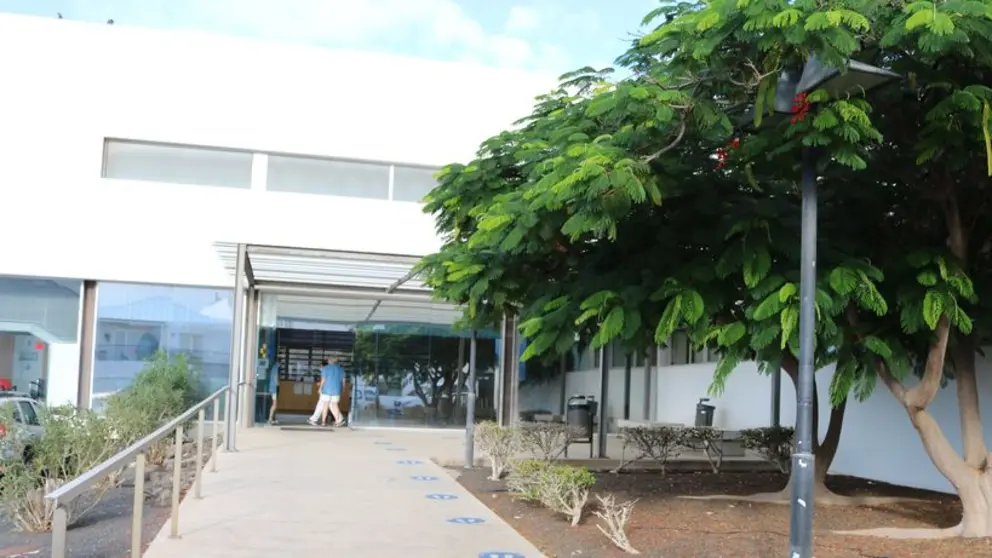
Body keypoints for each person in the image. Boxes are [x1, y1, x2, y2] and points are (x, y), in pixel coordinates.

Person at [308, 357, 345, 427]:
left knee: (325, 405)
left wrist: (320, 388)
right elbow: (343, 381)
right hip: (336, 390)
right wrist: (342, 389)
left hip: (327, 390)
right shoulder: (341, 370)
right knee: (334, 405)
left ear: (329, 361)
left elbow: (323, 379)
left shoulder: (326, 368)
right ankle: (338, 421)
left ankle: (323, 422)